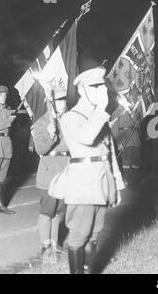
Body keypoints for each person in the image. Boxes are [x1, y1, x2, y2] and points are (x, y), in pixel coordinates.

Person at [58, 67, 125, 274]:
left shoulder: (99, 116)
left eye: (102, 87)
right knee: (79, 234)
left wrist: (116, 183)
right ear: (81, 90)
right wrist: (101, 110)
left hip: (102, 182)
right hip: (82, 183)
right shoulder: (71, 117)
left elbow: (110, 151)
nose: (100, 92)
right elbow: (86, 138)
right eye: (94, 87)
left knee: (95, 233)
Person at [32, 93, 69, 259]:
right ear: (50, 103)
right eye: (58, 101)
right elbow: (40, 149)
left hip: (65, 170)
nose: (62, 104)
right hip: (49, 172)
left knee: (59, 211)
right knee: (48, 211)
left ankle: (55, 243)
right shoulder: (41, 123)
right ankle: (46, 246)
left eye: (63, 100)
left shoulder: (67, 120)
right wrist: (51, 134)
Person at [0, 85, 16, 216]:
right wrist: (9, 121)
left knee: (2, 179)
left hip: (6, 146)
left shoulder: (8, 109)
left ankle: (1, 205)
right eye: (0, 95)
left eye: (5, 95)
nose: (3, 97)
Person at [110, 103, 142, 187]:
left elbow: (137, 124)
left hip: (134, 137)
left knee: (136, 161)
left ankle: (134, 180)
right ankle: (130, 182)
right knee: (127, 161)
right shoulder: (117, 112)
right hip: (124, 138)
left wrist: (138, 121)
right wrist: (118, 142)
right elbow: (114, 129)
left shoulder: (133, 110)